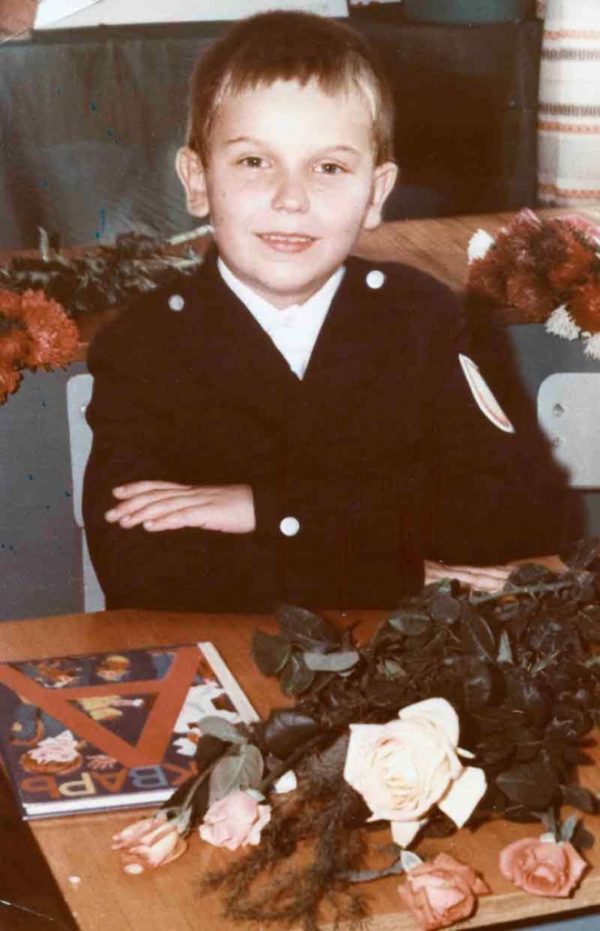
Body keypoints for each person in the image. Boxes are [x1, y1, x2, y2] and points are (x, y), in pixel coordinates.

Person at [83, 10, 570, 613]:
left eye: (329, 168)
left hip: (402, 647)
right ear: (198, 180)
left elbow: (504, 513)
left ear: (376, 193)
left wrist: (269, 509)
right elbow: (140, 566)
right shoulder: (145, 346)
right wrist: (400, 573)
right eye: (254, 162)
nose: (291, 199)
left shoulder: (420, 318)